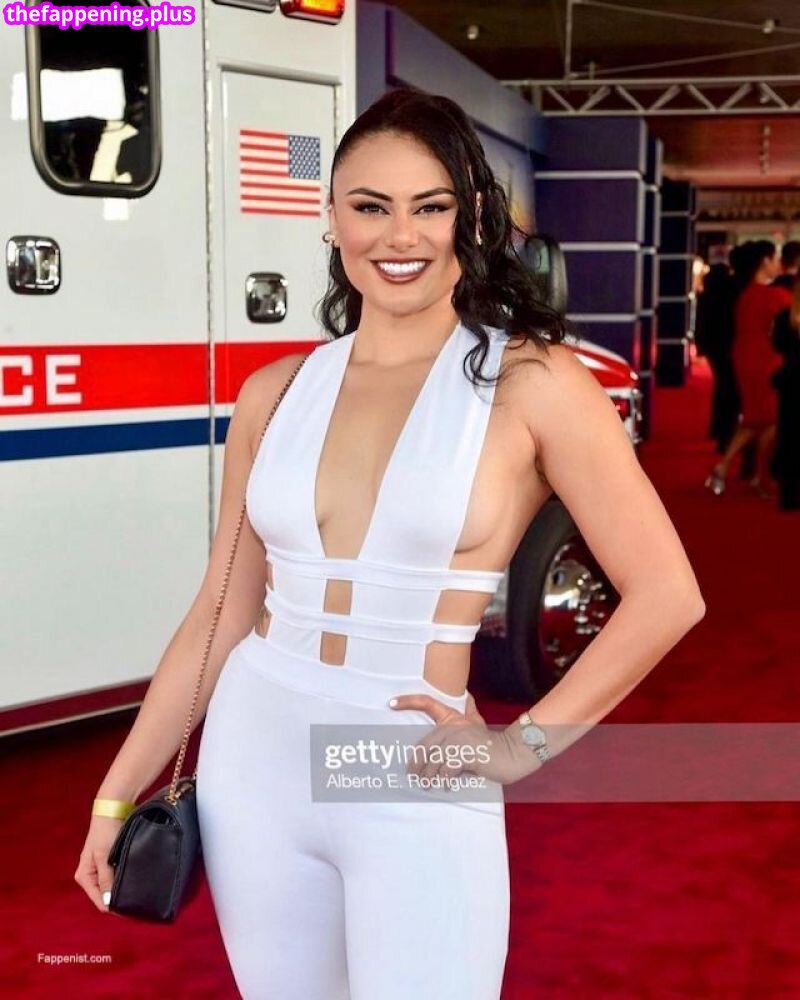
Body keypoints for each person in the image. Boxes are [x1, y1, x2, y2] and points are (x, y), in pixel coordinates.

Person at [75, 89, 706, 999]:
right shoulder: (274, 392)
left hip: (411, 764)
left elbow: (667, 594)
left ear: (471, 216)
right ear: (332, 218)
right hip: (254, 755)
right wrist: (117, 791)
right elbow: (220, 611)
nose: (399, 236)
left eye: (430, 206)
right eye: (371, 206)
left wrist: (521, 747)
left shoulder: (535, 382)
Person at [705, 241, 792, 498]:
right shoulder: (773, 295)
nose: (777, 264)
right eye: (774, 258)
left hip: (746, 359)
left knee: (756, 419)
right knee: (771, 419)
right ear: (765, 261)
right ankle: (759, 476)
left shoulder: (747, 294)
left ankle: (726, 468)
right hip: (767, 361)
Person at [694, 261, 738, 452]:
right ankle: (723, 430)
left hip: (714, 346)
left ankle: (718, 427)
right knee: (727, 388)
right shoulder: (731, 296)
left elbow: (700, 323)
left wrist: (701, 346)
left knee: (721, 385)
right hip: (727, 345)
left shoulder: (706, 296)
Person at [772, 283, 800, 510]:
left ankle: (788, 494)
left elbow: (777, 345)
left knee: (789, 435)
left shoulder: (785, 317)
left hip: (790, 381)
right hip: (791, 380)